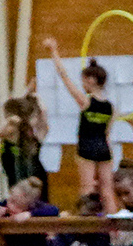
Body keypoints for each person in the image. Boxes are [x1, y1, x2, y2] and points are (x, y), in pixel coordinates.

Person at [43, 37, 118, 214]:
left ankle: (87, 225)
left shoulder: (85, 101)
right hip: (103, 149)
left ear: (91, 80)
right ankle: (116, 229)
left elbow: (64, 76)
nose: (82, 84)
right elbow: (107, 134)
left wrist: (54, 51)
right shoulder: (111, 106)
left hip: (87, 147)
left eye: (84, 80)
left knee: (87, 188)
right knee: (107, 190)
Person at [0, 81, 49, 203]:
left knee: (38, 206)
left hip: (34, 175)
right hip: (15, 176)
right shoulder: (13, 132)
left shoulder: (36, 135)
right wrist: (10, 120)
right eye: (33, 116)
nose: (35, 120)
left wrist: (36, 97)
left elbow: (44, 113)